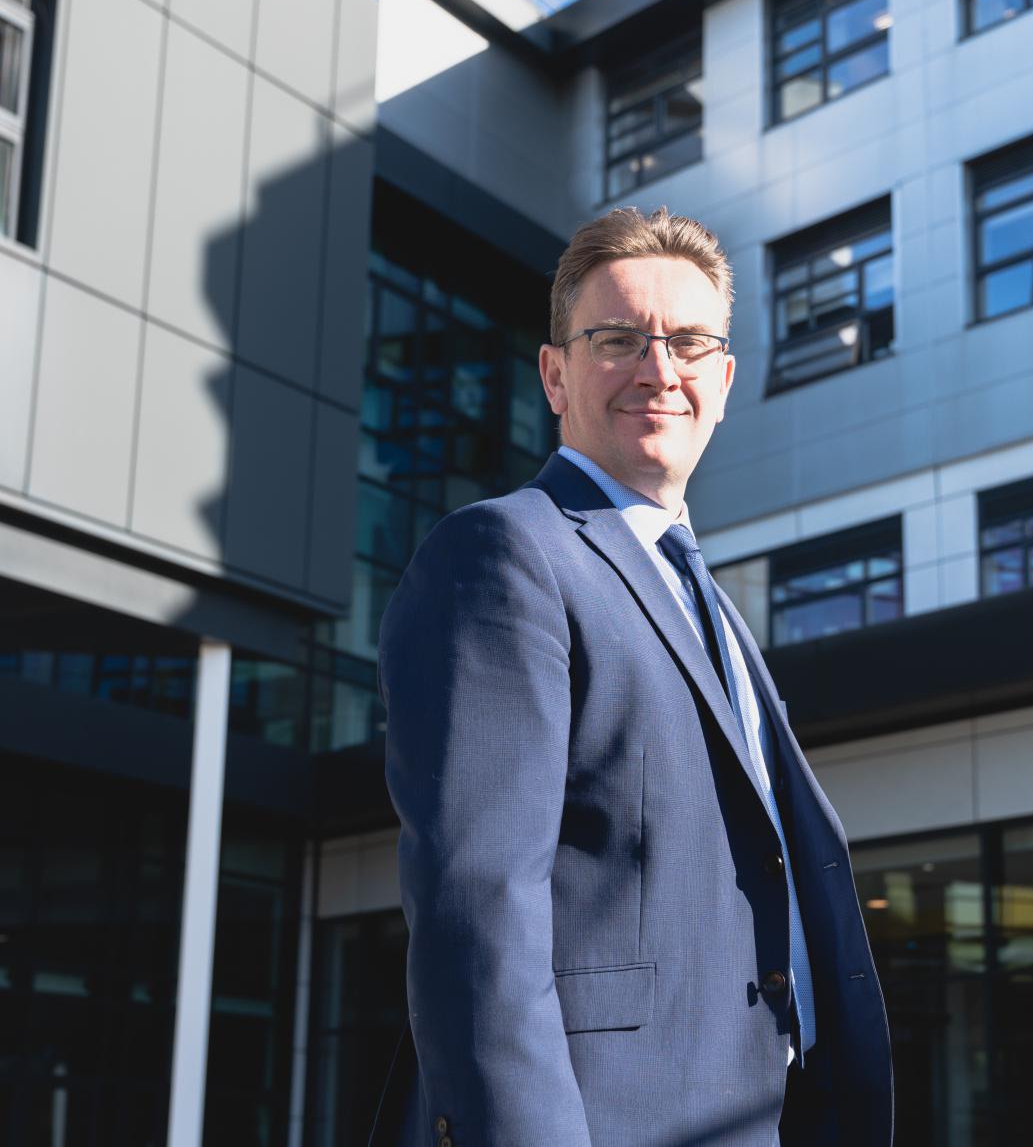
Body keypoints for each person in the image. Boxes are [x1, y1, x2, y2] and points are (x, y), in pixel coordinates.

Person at [373, 207, 893, 1146]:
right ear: (555, 375)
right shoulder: (503, 554)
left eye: (690, 344)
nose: (660, 369)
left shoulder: (708, 601)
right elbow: (479, 908)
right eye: (619, 340)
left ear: (724, 381)